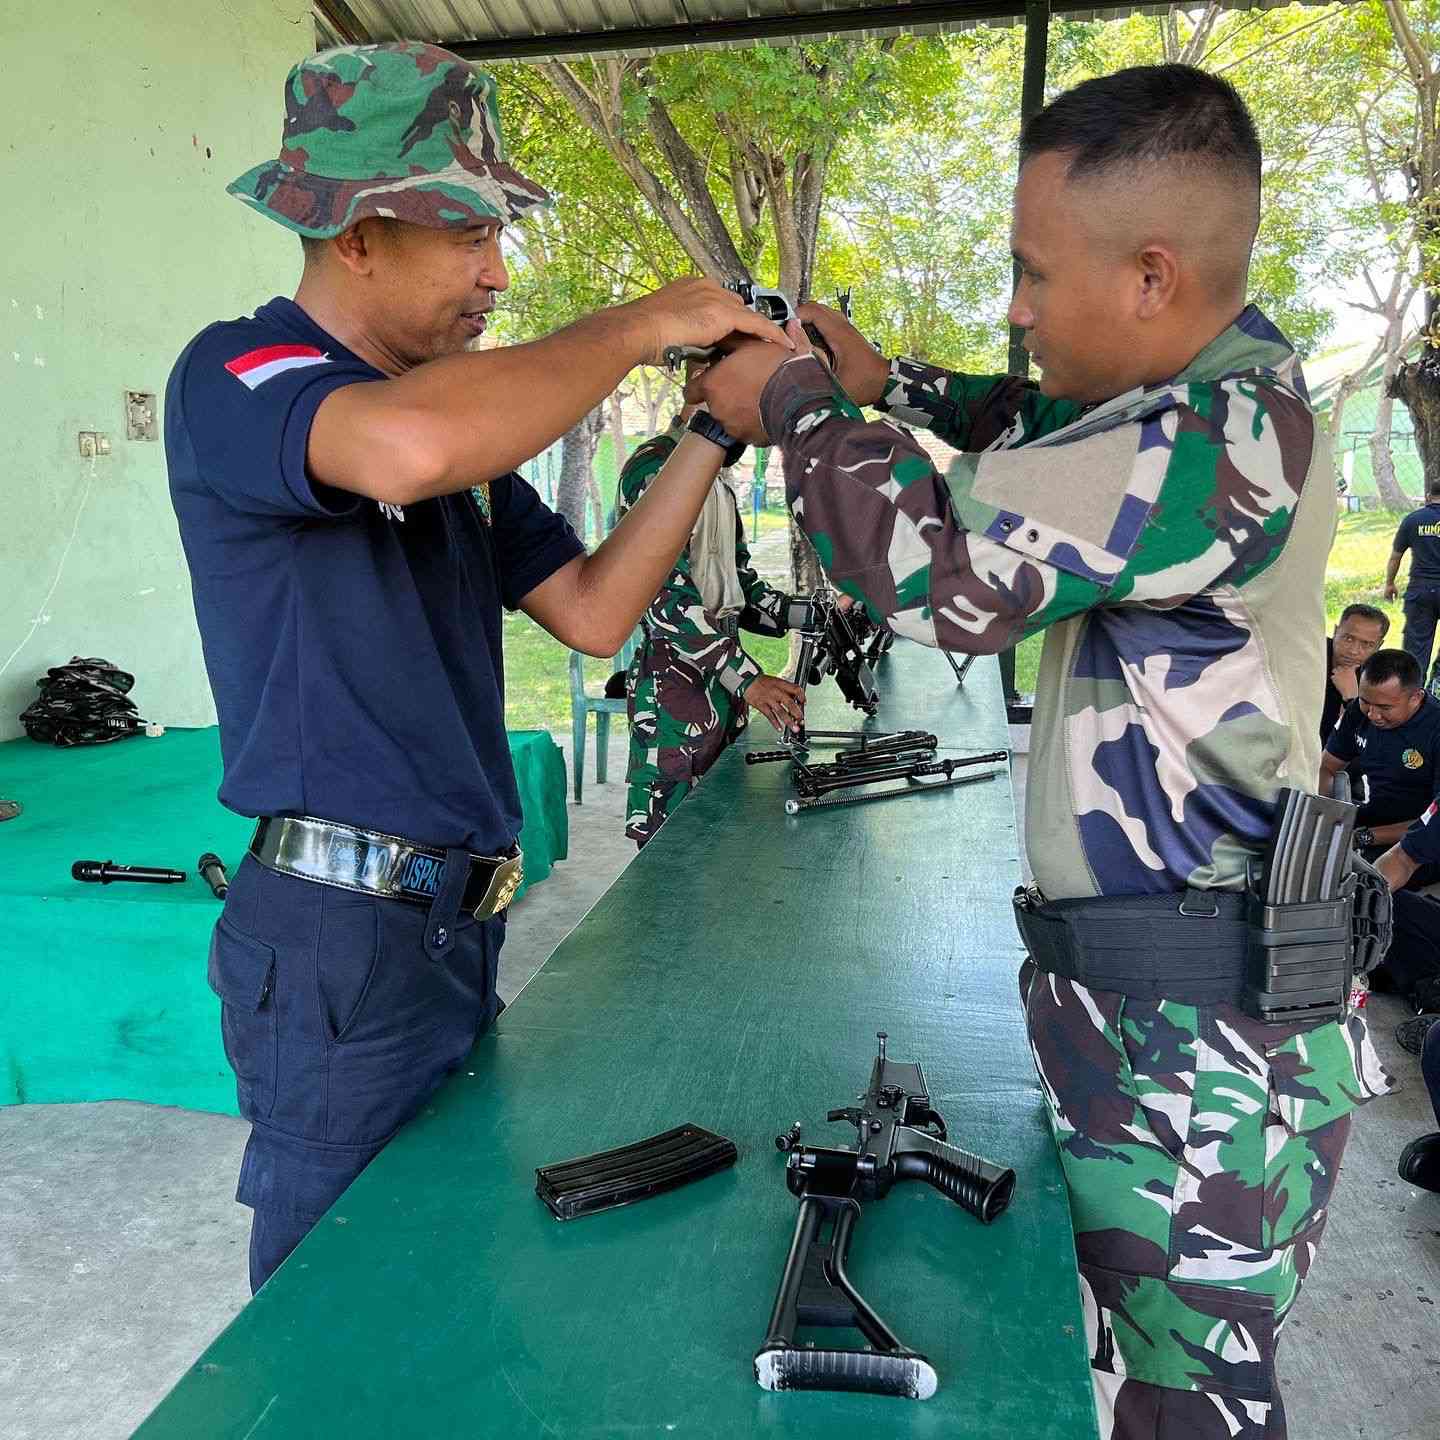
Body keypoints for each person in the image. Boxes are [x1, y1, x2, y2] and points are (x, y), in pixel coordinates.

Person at [699, 63, 1391, 1440]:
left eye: (1031, 275)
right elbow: (1039, 439)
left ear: (1149, 278)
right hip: (1166, 1015)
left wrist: (789, 406)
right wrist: (890, 386)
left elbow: (938, 574)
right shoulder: (1216, 406)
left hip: (1203, 1044)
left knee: (1191, 1403)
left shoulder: (1223, 438)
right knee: (1137, 1375)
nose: (1015, 310)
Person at [165, 41, 790, 1294]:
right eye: (467, 232)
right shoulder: (245, 372)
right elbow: (398, 451)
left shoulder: (456, 427)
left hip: (453, 932)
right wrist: (638, 324)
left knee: (447, 1265)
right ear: (356, 233)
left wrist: (713, 432)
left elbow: (597, 611)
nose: (497, 272)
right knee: (333, 1309)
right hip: (338, 940)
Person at [615, 411, 807, 847]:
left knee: (721, 840)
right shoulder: (657, 471)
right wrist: (750, 679)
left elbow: (740, 587)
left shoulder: (716, 477)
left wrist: (811, 613)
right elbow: (664, 599)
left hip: (723, 689)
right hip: (674, 696)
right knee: (669, 857)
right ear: (704, 378)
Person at [1320, 649, 1440, 866]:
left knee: (1348, 876)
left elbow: (1434, 825)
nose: (1373, 715)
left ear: (1416, 697)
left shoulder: (1435, 731)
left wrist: (1363, 837)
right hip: (1366, 816)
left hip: (1419, 839)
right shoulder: (1358, 711)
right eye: (1366, 701)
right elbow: (1327, 767)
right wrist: (1324, 814)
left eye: (1385, 708)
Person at [1385, 483, 1440, 684]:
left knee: (1416, 650)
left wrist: (1389, 583)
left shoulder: (1413, 520)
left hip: (1421, 591)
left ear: (1428, 496)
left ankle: (1411, 694)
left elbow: (1395, 557)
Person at [1320, 603, 1388, 742]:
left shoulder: (1380, 677)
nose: (1354, 651)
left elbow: (1368, 739)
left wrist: (1351, 699)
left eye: (1366, 644)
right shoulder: (1311, 657)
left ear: (1379, 646)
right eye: (1348, 638)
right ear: (1335, 631)